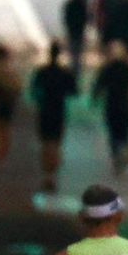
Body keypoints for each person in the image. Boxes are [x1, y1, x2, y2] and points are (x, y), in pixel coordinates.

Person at [30, 41, 80, 193]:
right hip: (59, 111)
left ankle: (47, 174)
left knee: (46, 143)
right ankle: (52, 172)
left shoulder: (42, 72)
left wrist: (40, 99)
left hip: (45, 110)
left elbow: (33, 90)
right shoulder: (65, 73)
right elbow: (74, 91)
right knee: (56, 143)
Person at [93, 44, 128, 174]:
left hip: (111, 104)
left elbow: (99, 85)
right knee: (124, 131)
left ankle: (116, 157)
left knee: (113, 132)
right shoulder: (127, 68)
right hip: (125, 104)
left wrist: (95, 98)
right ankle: (124, 153)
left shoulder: (108, 69)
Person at [62, 0, 89, 76]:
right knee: (77, 54)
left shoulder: (70, 6)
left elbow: (66, 19)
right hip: (78, 33)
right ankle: (76, 71)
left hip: (72, 32)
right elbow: (86, 19)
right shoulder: (82, 6)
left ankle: (74, 70)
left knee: (73, 54)